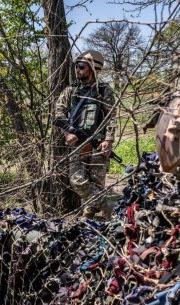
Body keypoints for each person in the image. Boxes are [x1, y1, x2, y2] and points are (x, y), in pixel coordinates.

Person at [55, 50, 117, 219]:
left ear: (92, 68)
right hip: (77, 144)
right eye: (77, 66)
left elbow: (111, 117)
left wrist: (109, 140)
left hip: (98, 144)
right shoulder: (71, 90)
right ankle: (107, 205)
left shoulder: (104, 91)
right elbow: (59, 112)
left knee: (96, 182)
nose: (78, 69)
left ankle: (91, 217)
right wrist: (67, 133)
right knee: (77, 180)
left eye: (81, 66)